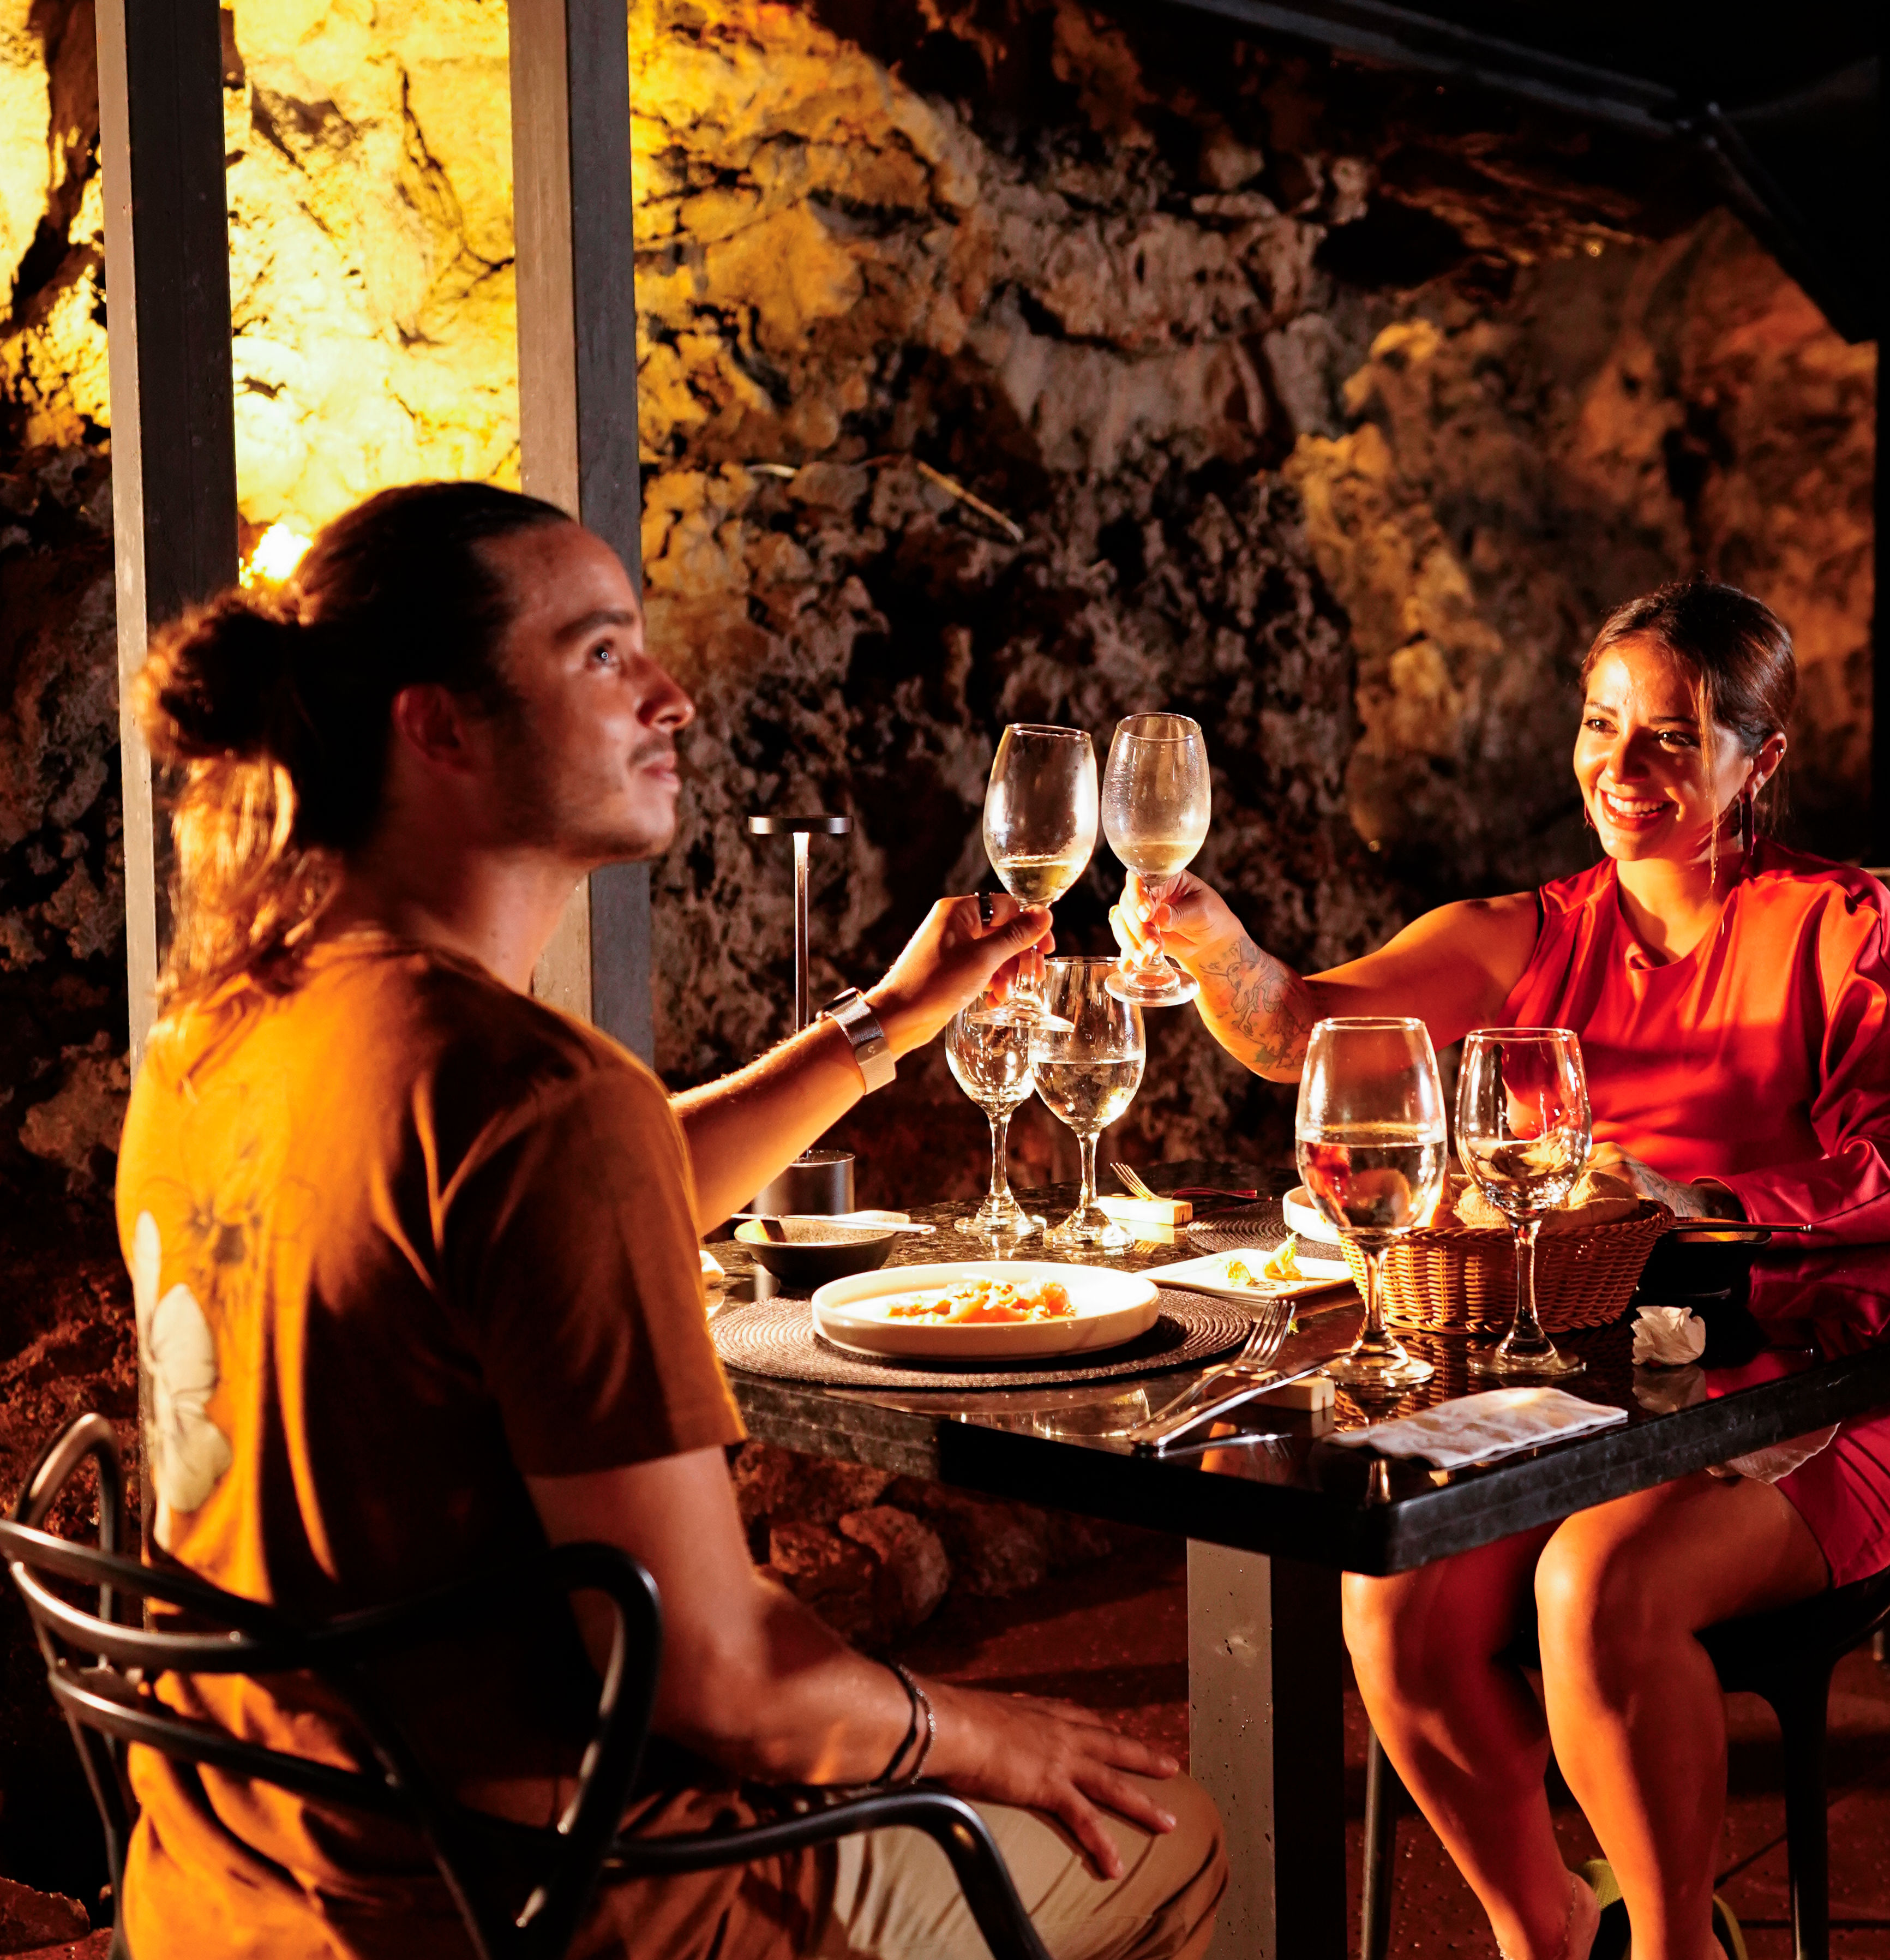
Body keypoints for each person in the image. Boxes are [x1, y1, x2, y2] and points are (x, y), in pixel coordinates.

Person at [115, 482, 1225, 1960]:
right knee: (1180, 1832)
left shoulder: (227, 1030)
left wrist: (884, 1025)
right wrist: (980, 1732)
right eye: (599, 653)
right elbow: (725, 1683)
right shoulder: (531, 1098)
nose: (674, 696)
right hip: (531, 1900)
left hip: (234, 1875)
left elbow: (566, 1210)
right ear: (437, 724)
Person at [1114, 576, 1890, 1960]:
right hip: (1578, 1390)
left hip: (1815, 1391)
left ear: (1761, 757)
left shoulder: (1833, 920)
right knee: (1389, 1605)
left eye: (1673, 738)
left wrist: (1699, 1196)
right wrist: (1211, 942)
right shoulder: (1529, 934)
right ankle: (1545, 1930)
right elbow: (1295, 1026)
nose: (1618, 770)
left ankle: (1673, 1943)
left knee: (1597, 1588)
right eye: (1598, 726)